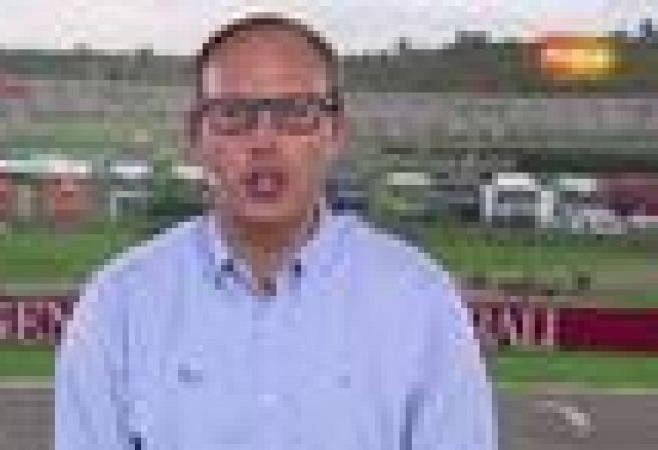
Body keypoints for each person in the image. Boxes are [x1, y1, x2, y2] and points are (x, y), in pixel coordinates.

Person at [56, 13, 498, 450]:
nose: (264, 141)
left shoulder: (419, 301)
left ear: (335, 133)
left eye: (296, 113)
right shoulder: (119, 304)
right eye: (233, 114)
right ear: (197, 136)